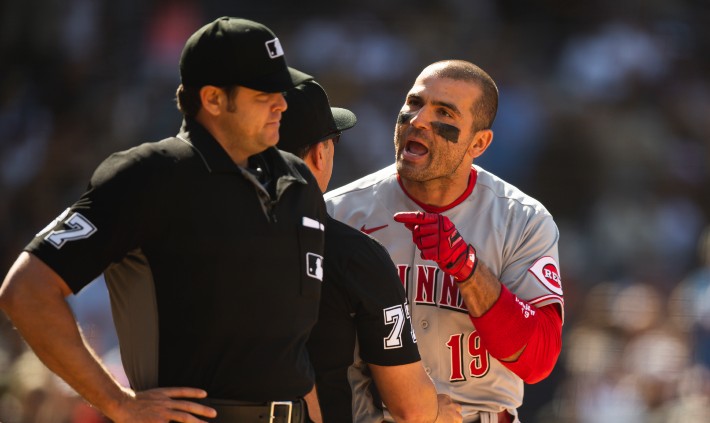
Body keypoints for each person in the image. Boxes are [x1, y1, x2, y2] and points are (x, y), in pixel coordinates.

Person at [0, 16, 327, 423]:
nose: (282, 103)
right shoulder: (151, 174)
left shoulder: (298, 182)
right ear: (212, 99)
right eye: (264, 94)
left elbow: (295, 348)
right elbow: (27, 289)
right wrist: (117, 401)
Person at [325, 60, 564, 423]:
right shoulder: (340, 213)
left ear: (479, 143)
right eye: (414, 102)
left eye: (444, 112)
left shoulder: (522, 220)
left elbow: (539, 360)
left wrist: (467, 268)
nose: (418, 120)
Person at [278, 80, 462, 423]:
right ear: (320, 153)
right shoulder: (354, 254)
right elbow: (410, 407)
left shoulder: (209, 235)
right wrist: (438, 413)